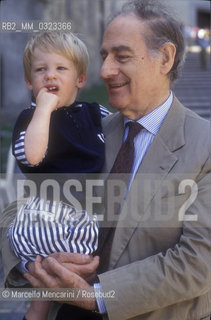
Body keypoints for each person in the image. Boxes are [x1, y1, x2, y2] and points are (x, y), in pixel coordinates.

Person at [0, 1, 211, 319]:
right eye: (103, 56)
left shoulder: (204, 145)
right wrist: (34, 264)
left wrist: (97, 297)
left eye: (121, 57)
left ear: (165, 58)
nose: (105, 71)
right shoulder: (88, 130)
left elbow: (199, 262)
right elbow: (22, 208)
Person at [6, 30, 109, 320]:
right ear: (30, 82)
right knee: (71, 264)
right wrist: (45, 109)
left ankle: (40, 308)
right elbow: (33, 155)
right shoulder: (31, 117)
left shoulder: (95, 113)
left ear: (80, 79)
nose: (50, 75)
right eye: (41, 70)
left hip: (80, 215)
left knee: (81, 261)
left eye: (61, 68)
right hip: (42, 219)